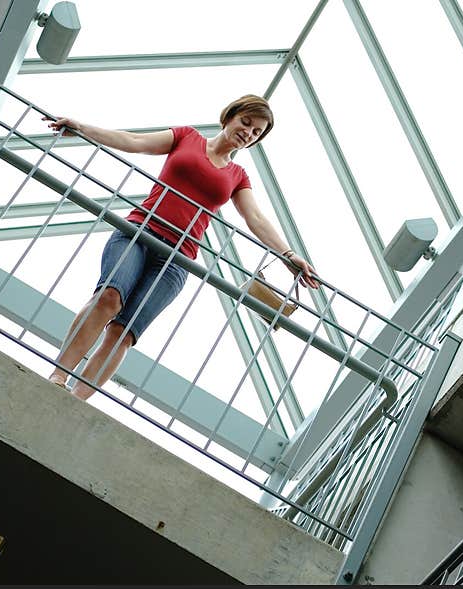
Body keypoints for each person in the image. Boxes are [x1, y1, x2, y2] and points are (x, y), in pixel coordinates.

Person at [45, 94, 319, 400]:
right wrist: (83, 128)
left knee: (123, 332)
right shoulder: (187, 137)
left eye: (256, 132)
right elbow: (134, 141)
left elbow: (254, 217)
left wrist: (288, 255)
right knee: (109, 297)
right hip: (139, 231)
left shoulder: (238, 176)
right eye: (246, 122)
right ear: (230, 116)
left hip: (177, 260)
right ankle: (58, 375)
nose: (248, 132)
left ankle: (76, 400)